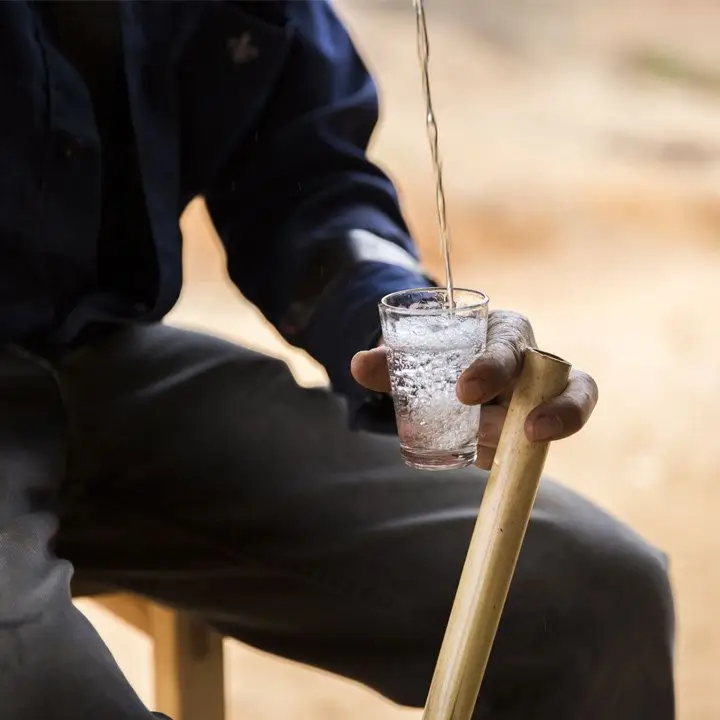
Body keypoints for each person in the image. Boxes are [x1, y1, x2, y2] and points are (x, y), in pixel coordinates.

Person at [0, 2, 675, 719]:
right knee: (46, 693)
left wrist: (407, 332)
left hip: (105, 369)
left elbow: (307, 178)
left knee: (596, 598)